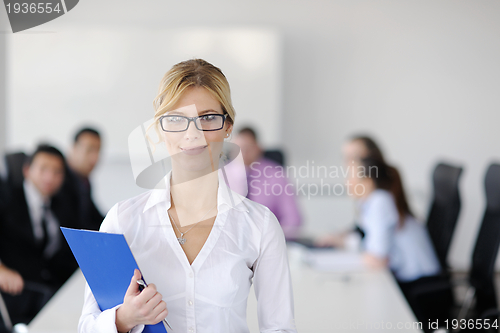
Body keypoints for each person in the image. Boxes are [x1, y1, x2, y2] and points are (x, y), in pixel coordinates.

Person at [79, 59, 297, 333]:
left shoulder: (260, 225)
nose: (192, 133)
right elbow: (87, 325)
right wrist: (124, 318)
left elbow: (280, 328)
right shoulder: (123, 221)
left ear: (228, 127)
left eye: (207, 118)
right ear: (160, 128)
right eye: (176, 119)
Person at [316, 136, 448, 331]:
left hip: (422, 290)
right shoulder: (371, 201)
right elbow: (367, 241)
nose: (346, 183)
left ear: (367, 182)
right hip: (413, 284)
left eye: (351, 178)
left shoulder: (380, 202)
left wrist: (351, 253)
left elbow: (377, 259)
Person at [0, 144, 79, 329]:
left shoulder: (60, 204)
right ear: (27, 170)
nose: (49, 177)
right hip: (16, 292)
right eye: (43, 169)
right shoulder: (7, 196)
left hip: (47, 289)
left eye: (57, 172)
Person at [226, 127, 302, 240]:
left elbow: (293, 219)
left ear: (258, 148)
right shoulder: (220, 176)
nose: (242, 154)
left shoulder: (277, 175)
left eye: (247, 148)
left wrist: (274, 237)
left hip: (269, 241)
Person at [61, 127, 104, 230]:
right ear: (74, 148)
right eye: (89, 150)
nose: (95, 158)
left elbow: (93, 216)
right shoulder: (60, 179)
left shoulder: (84, 181)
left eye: (98, 151)